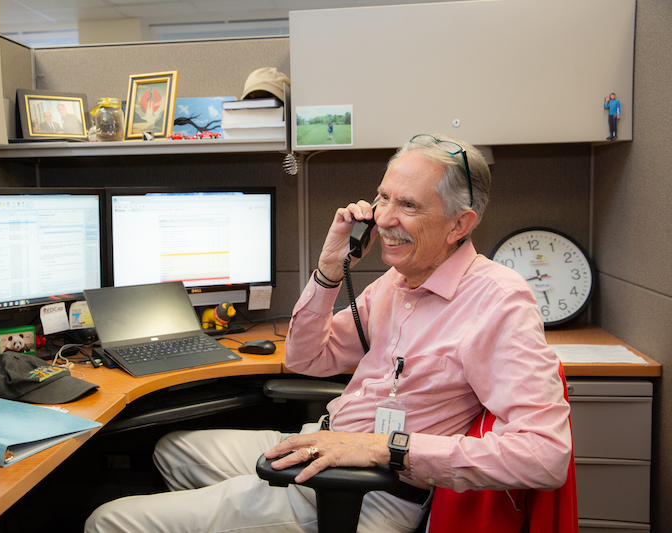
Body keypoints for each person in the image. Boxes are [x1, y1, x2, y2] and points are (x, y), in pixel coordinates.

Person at [85, 133, 572, 533]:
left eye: (408, 205)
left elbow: (546, 456)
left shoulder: (497, 300)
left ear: (458, 224)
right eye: (383, 197)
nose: (384, 219)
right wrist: (328, 271)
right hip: (323, 442)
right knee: (172, 450)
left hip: (368, 493)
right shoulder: (396, 281)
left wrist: (383, 447)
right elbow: (307, 359)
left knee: (108, 522)